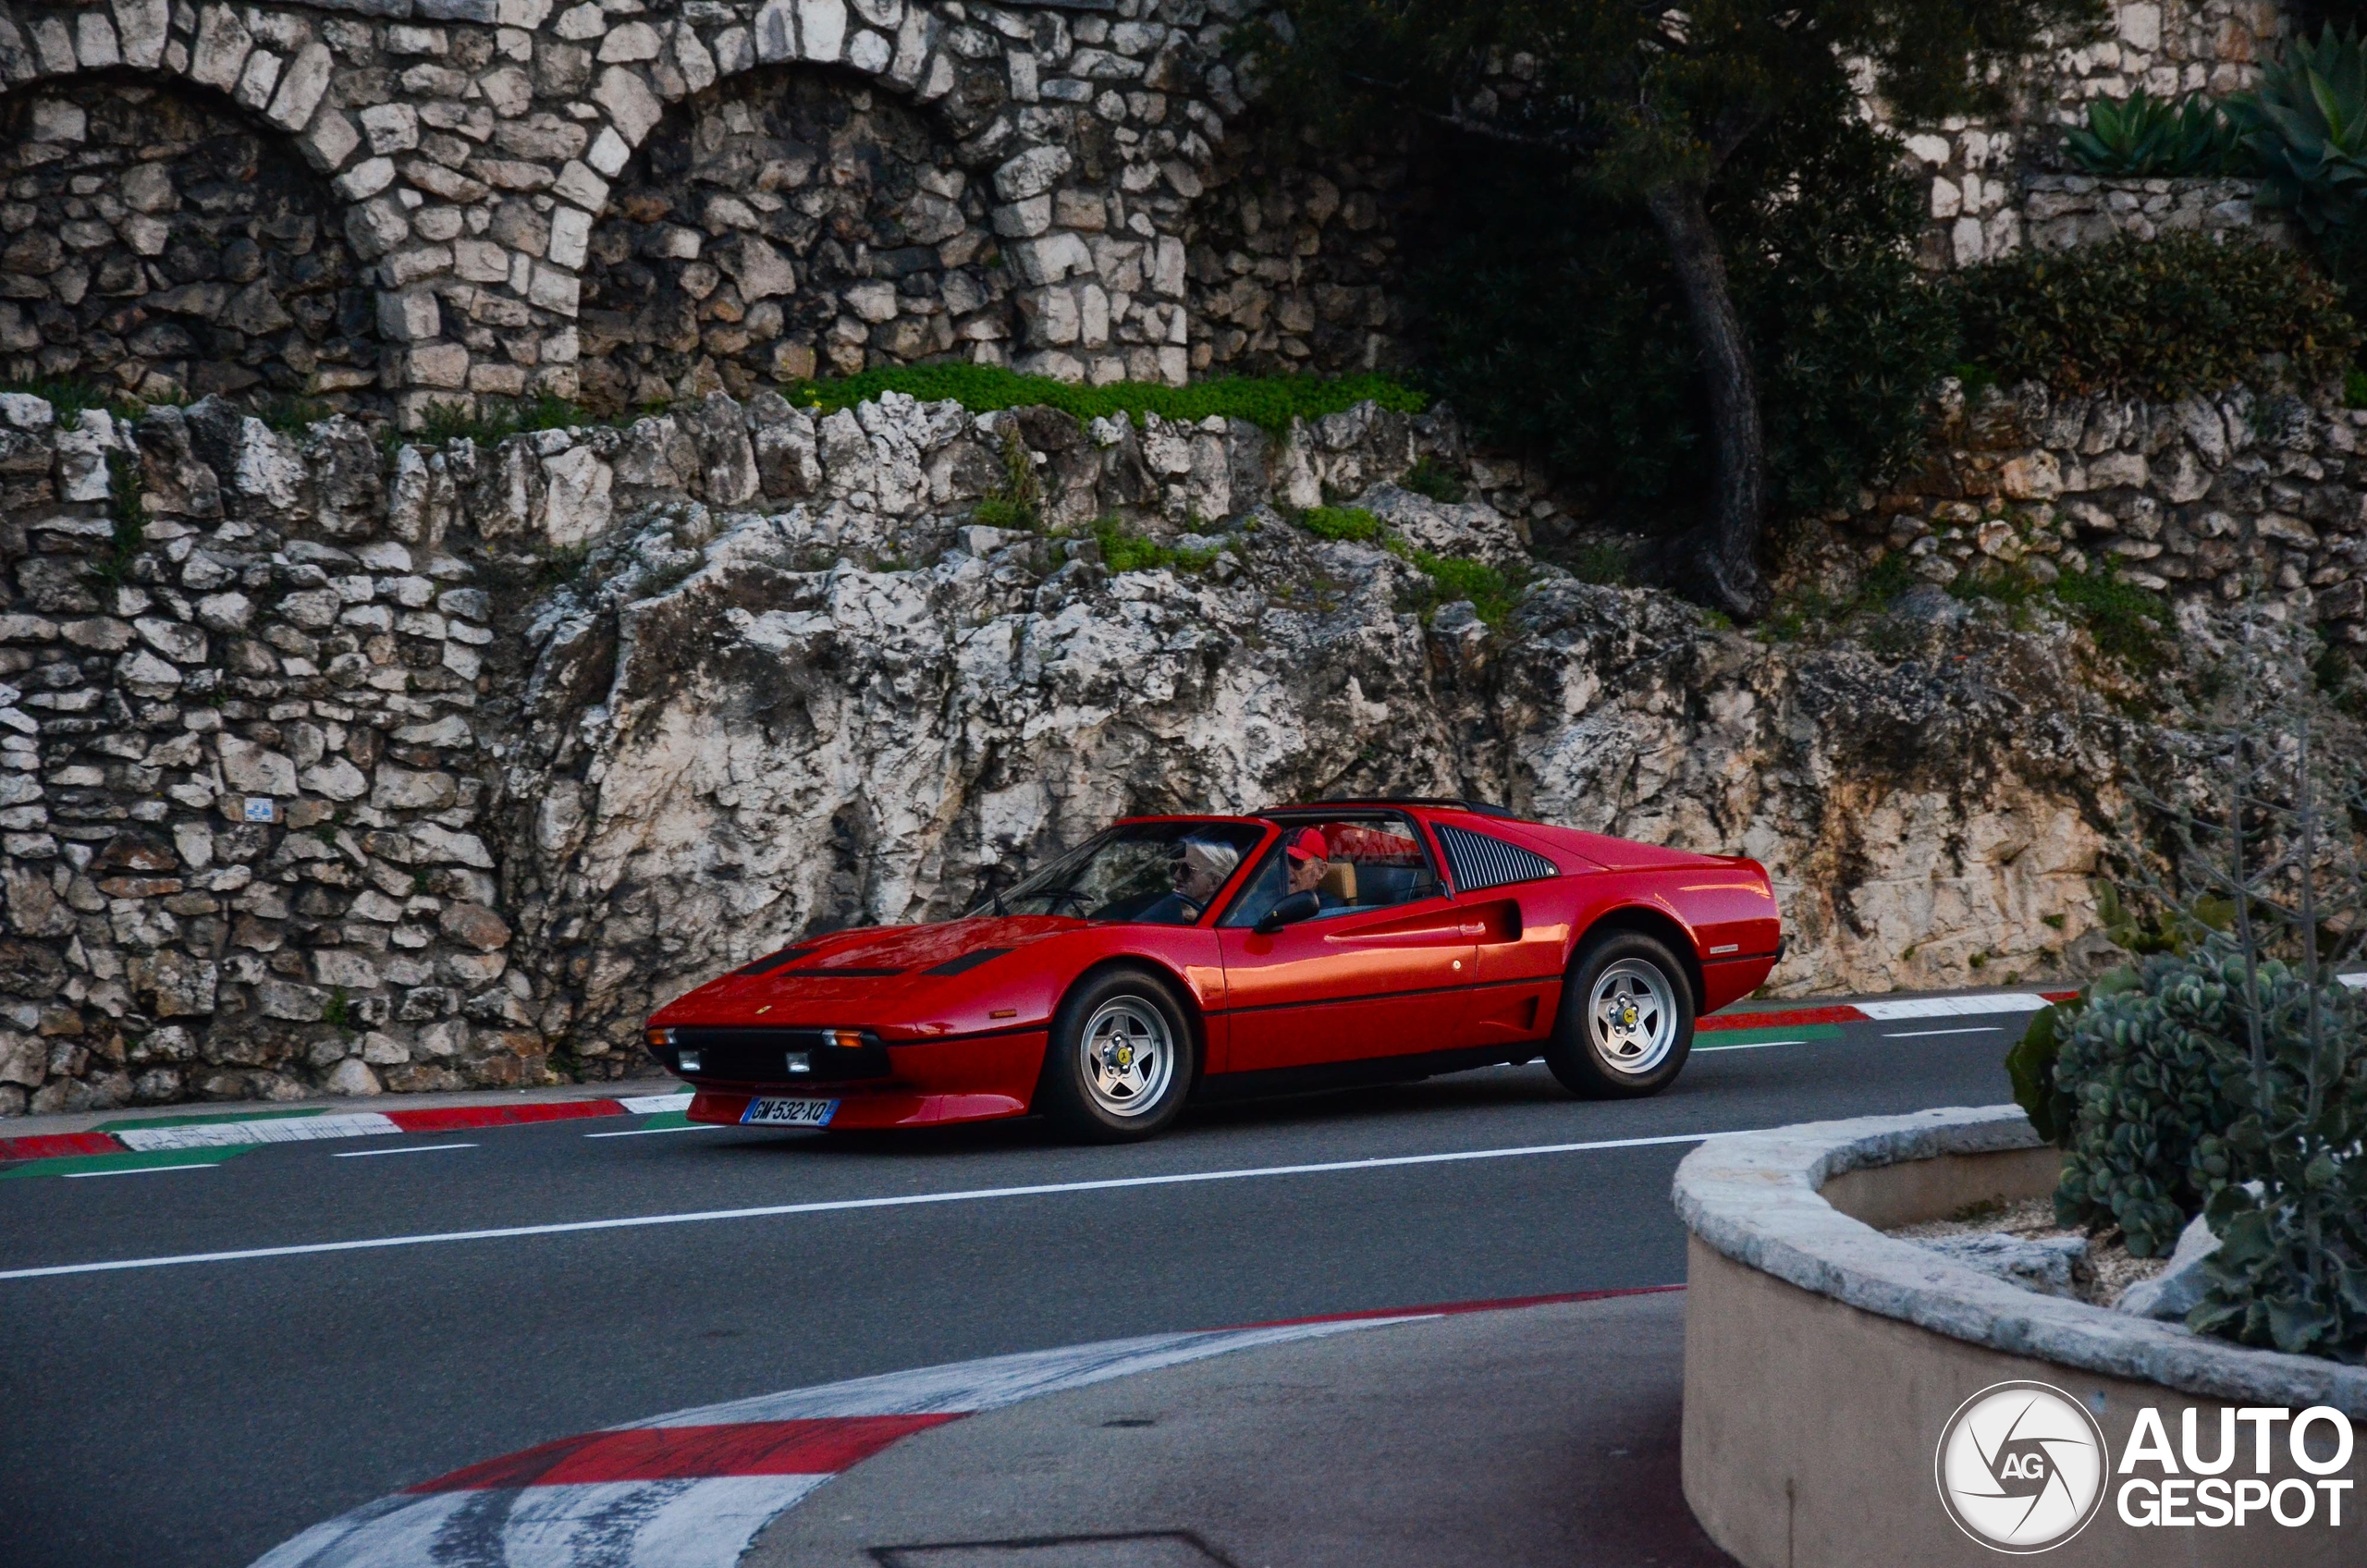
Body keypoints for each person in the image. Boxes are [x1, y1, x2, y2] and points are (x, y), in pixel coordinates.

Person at [1132, 836, 1244, 924]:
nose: (1176, 876)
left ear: (1214, 882)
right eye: (1175, 867)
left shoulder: (1230, 923)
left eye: (1187, 870)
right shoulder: (1161, 906)